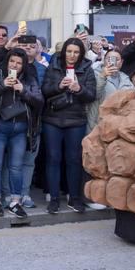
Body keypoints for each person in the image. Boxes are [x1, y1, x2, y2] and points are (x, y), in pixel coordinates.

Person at [41, 38, 97, 214]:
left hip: (76, 119)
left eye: (76, 52)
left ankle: (74, 198)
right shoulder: (54, 64)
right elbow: (45, 90)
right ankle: (54, 198)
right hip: (53, 118)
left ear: (81, 54)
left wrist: (78, 88)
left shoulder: (87, 68)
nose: (72, 55)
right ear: (64, 51)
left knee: (74, 160)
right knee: (53, 158)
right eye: (69, 51)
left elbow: (91, 95)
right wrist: (59, 86)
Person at [0, 48, 44, 218]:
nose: (15, 65)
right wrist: (2, 85)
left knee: (16, 167)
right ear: (7, 61)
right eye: (12, 61)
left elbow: (40, 101)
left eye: (19, 63)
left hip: (21, 128)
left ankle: (15, 202)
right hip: (0, 126)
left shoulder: (29, 78)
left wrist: (23, 90)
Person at [87, 49, 134, 131]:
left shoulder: (125, 78)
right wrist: (102, 76)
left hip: (118, 125)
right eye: (109, 58)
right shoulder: (93, 74)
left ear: (121, 62)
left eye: (117, 59)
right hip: (96, 124)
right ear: (103, 59)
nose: (112, 61)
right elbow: (93, 95)